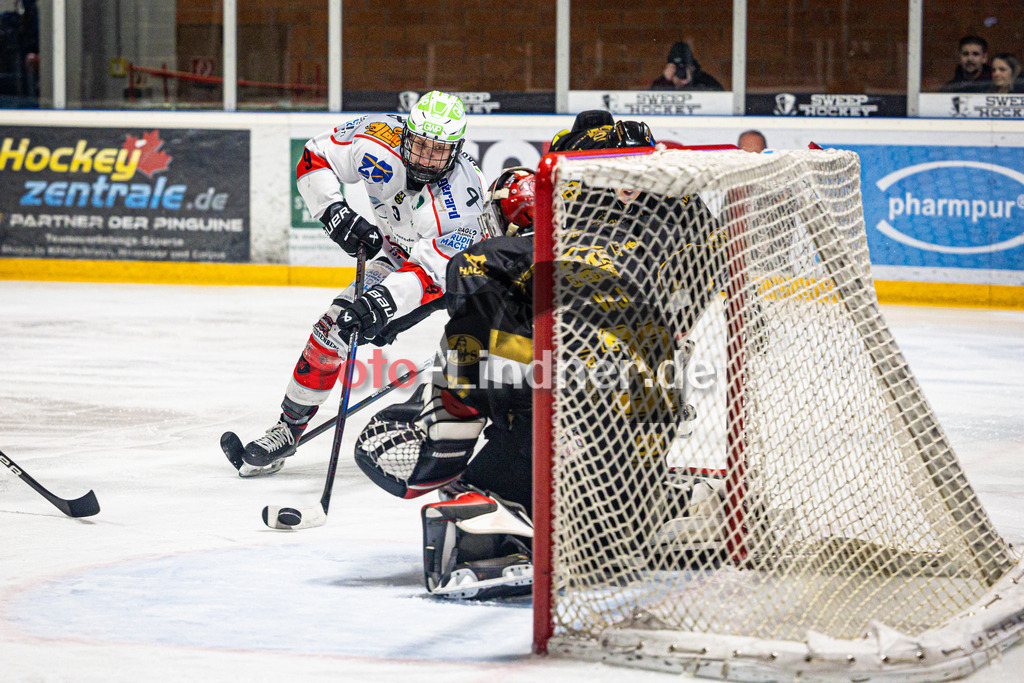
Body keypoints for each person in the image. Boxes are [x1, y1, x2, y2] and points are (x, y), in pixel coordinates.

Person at [354, 113, 726, 599]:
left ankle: (514, 516)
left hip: (575, 406)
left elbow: (472, 277)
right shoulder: (684, 238)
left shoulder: (524, 253)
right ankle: (655, 507)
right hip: (640, 410)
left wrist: (447, 405)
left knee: (473, 376)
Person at [234, 91, 487, 477]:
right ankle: (287, 429)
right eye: (418, 145)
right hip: (395, 256)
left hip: (454, 276)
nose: (424, 159)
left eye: (438, 152)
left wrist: (380, 303)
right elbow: (314, 156)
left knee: (485, 356)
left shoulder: (464, 201)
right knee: (332, 329)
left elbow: (431, 274)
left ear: (456, 150)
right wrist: (334, 212)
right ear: (405, 135)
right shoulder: (377, 135)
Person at [651, 41, 723, 91]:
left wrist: (691, 83)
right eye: (676, 67)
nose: (680, 71)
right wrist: (665, 80)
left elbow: (718, 99)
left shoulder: (705, 81)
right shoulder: (662, 83)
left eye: (684, 67)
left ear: (692, 67)